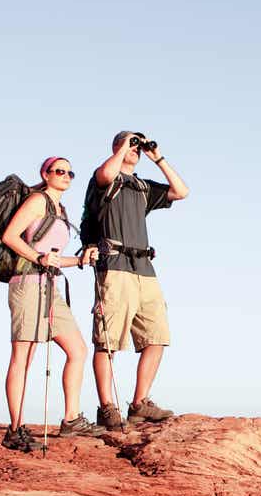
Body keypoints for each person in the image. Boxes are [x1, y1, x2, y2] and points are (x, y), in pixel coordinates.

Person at [81, 131, 189, 429]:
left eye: (137, 147)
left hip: (143, 267)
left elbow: (181, 191)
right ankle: (107, 407)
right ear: (116, 147)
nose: (135, 150)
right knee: (108, 341)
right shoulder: (105, 179)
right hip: (113, 265)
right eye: (131, 145)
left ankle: (139, 403)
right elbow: (104, 173)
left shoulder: (141, 186)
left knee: (157, 336)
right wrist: (123, 147)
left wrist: (158, 158)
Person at [0, 156, 104, 450]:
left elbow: (53, 258)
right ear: (45, 174)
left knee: (78, 350)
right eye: (59, 171)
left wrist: (80, 259)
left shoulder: (61, 209)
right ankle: (15, 428)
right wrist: (39, 259)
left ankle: (71, 419)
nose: (66, 175)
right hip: (28, 285)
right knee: (24, 356)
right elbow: (10, 237)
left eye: (70, 172)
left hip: (51, 286)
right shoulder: (37, 200)